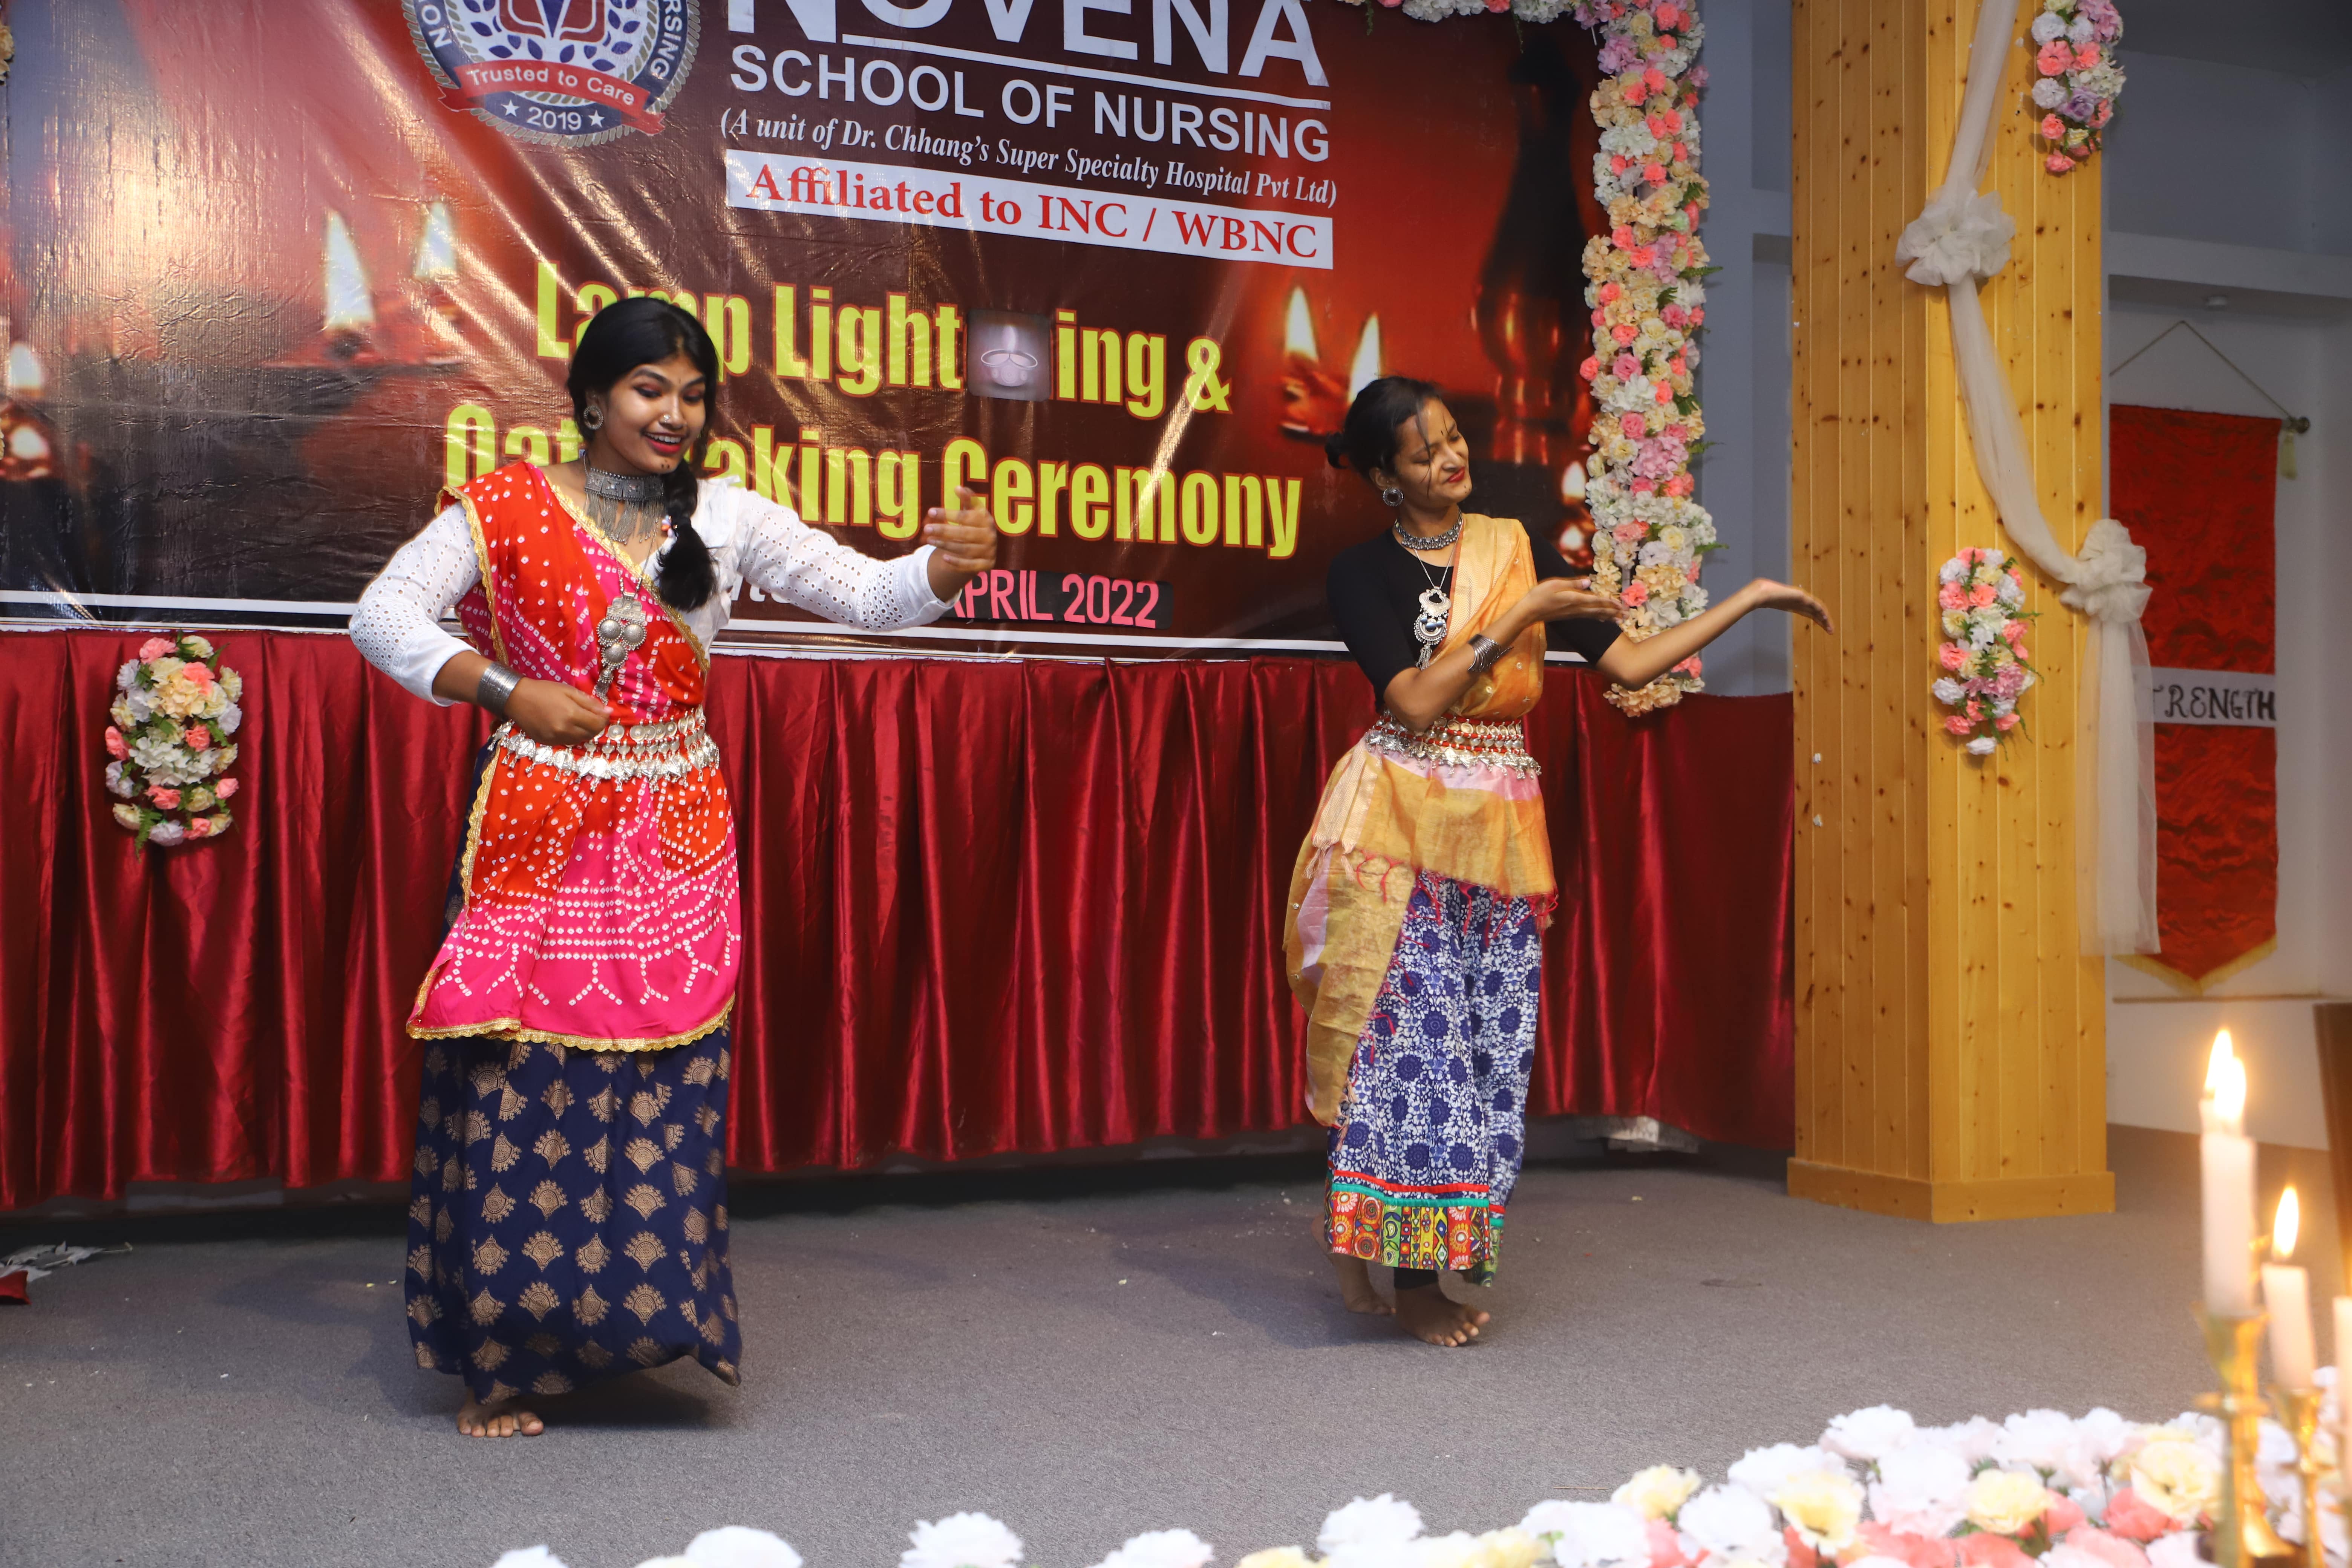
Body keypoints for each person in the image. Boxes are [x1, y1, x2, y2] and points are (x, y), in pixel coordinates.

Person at [349, 296, 996, 1436]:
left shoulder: (730, 517)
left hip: (674, 828)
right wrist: (506, 690)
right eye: (650, 389)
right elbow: (383, 615)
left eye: (694, 396)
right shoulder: (502, 506)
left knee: (661, 1080)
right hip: (538, 829)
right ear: (592, 397)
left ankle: (632, 1333)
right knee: (519, 1076)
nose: (675, 415)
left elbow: (868, 598)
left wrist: (943, 567)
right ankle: (504, 1359)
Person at [1289, 377, 1831, 1348]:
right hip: (1398, 832)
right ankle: (1411, 1280)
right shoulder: (1361, 571)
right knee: (1416, 1055)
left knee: (1487, 1052)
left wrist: (1750, 600)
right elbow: (1411, 702)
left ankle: (1384, 1240)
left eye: (1453, 438)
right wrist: (1516, 615)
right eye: (1424, 452)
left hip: (1500, 840)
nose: (1452, 458)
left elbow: (1628, 664)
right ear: (1385, 476)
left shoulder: (1513, 548)